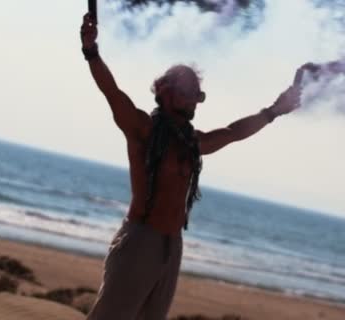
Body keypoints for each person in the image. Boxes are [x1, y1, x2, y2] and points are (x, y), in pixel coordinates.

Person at [80, 12, 302, 320]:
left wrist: (275, 110)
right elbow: (111, 92)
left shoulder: (191, 143)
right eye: (187, 94)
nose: (193, 102)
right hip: (140, 241)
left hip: (172, 246)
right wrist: (91, 51)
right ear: (164, 90)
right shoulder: (142, 129)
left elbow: (233, 133)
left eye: (198, 96)